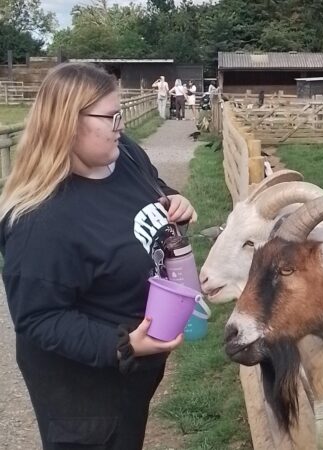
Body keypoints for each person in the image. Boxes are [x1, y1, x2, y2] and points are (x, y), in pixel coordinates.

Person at [0, 63, 198, 450]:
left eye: (120, 113)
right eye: (111, 117)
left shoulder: (124, 156)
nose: (120, 126)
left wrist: (175, 199)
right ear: (67, 123)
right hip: (85, 399)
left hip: (130, 380)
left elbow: (152, 187)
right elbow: (38, 319)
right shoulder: (40, 221)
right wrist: (122, 344)